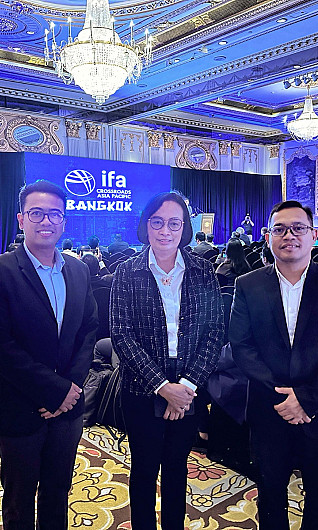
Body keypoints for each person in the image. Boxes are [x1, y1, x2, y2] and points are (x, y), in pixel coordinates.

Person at [229, 200, 318, 529]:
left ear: (313, 235)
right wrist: (284, 396)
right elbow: (242, 346)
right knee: (270, 493)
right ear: (268, 237)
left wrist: (306, 398)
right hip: (269, 408)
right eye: (279, 229)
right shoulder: (248, 284)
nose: (288, 236)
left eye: (298, 228)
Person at [0, 180, 98, 529]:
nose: (46, 221)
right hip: (20, 407)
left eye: (54, 214)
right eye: (37, 213)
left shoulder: (78, 270)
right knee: (19, 497)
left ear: (64, 221)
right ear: (21, 219)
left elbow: (88, 330)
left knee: (58, 490)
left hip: (68, 409)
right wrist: (54, 391)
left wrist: (69, 389)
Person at [110, 191, 224, 530]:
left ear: (185, 227)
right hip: (141, 388)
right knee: (144, 469)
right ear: (146, 225)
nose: (165, 231)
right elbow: (121, 335)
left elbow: (215, 332)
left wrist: (185, 388)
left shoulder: (203, 271)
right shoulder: (127, 272)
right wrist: (162, 387)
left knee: (177, 467)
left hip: (190, 387)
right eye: (157, 222)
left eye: (174, 223)